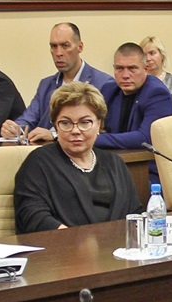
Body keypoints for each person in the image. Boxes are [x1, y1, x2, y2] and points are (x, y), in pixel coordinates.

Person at [12, 82, 140, 233]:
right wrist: (74, 238)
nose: (75, 130)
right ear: (55, 125)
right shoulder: (38, 162)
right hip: (64, 244)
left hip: (119, 243)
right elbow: (32, 215)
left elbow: (135, 213)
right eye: (65, 123)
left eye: (85, 122)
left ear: (99, 124)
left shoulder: (115, 163)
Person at [3, 22, 113, 143]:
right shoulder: (46, 85)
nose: (58, 53)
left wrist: (55, 135)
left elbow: (105, 131)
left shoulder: (104, 83)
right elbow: (28, 119)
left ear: (80, 47)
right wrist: (14, 129)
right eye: (53, 46)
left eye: (65, 46)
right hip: (43, 150)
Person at [96, 41, 172, 154]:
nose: (125, 75)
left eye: (132, 68)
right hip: (116, 159)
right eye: (119, 68)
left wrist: (92, 139)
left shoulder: (157, 93)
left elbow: (145, 138)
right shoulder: (109, 90)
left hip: (148, 161)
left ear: (146, 69)